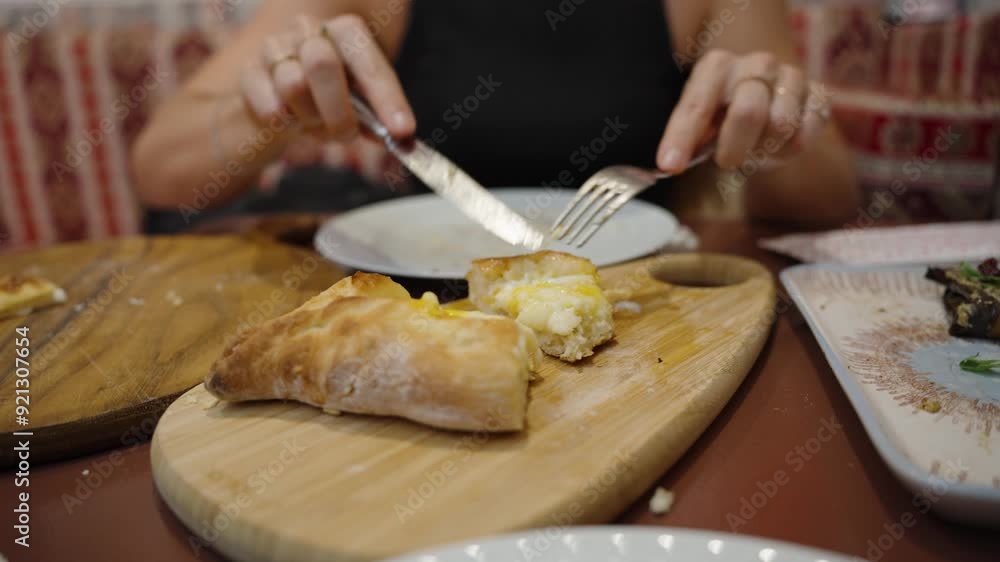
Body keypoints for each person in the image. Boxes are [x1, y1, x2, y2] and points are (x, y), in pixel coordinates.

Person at [131, 0, 861, 226]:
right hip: (426, 307)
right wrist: (267, 114)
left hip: (652, 319)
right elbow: (161, 172)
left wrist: (774, 134)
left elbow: (834, 201)